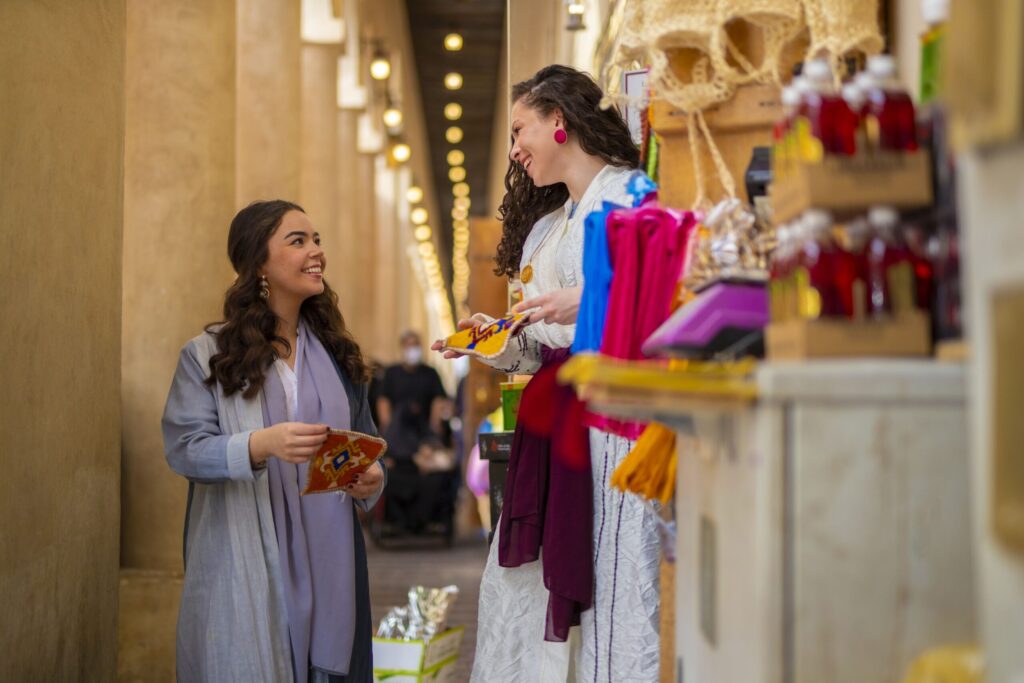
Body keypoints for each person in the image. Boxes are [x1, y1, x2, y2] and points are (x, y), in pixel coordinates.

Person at [433, 64, 660, 682]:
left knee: (611, 572)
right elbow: (533, 351)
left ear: (558, 122)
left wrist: (585, 303)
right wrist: (493, 342)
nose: (514, 150)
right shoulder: (543, 230)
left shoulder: (631, 197)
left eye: (520, 130)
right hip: (553, 418)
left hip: (614, 414)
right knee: (531, 584)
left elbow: (663, 302)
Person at [162, 200, 385, 682]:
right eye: (298, 240)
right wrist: (259, 445)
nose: (316, 252)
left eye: (317, 240)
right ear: (258, 263)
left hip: (334, 562)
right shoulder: (208, 357)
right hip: (246, 558)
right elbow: (184, 448)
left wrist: (371, 477)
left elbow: (365, 443)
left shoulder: (340, 356)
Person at [376, 331, 453, 534]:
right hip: (398, 435)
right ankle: (398, 521)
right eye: (409, 345)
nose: (413, 349)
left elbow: (438, 401)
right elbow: (383, 402)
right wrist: (388, 434)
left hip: (422, 434)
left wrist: (433, 436)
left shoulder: (430, 373)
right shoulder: (392, 374)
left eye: (416, 344)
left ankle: (425, 519)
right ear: (402, 348)